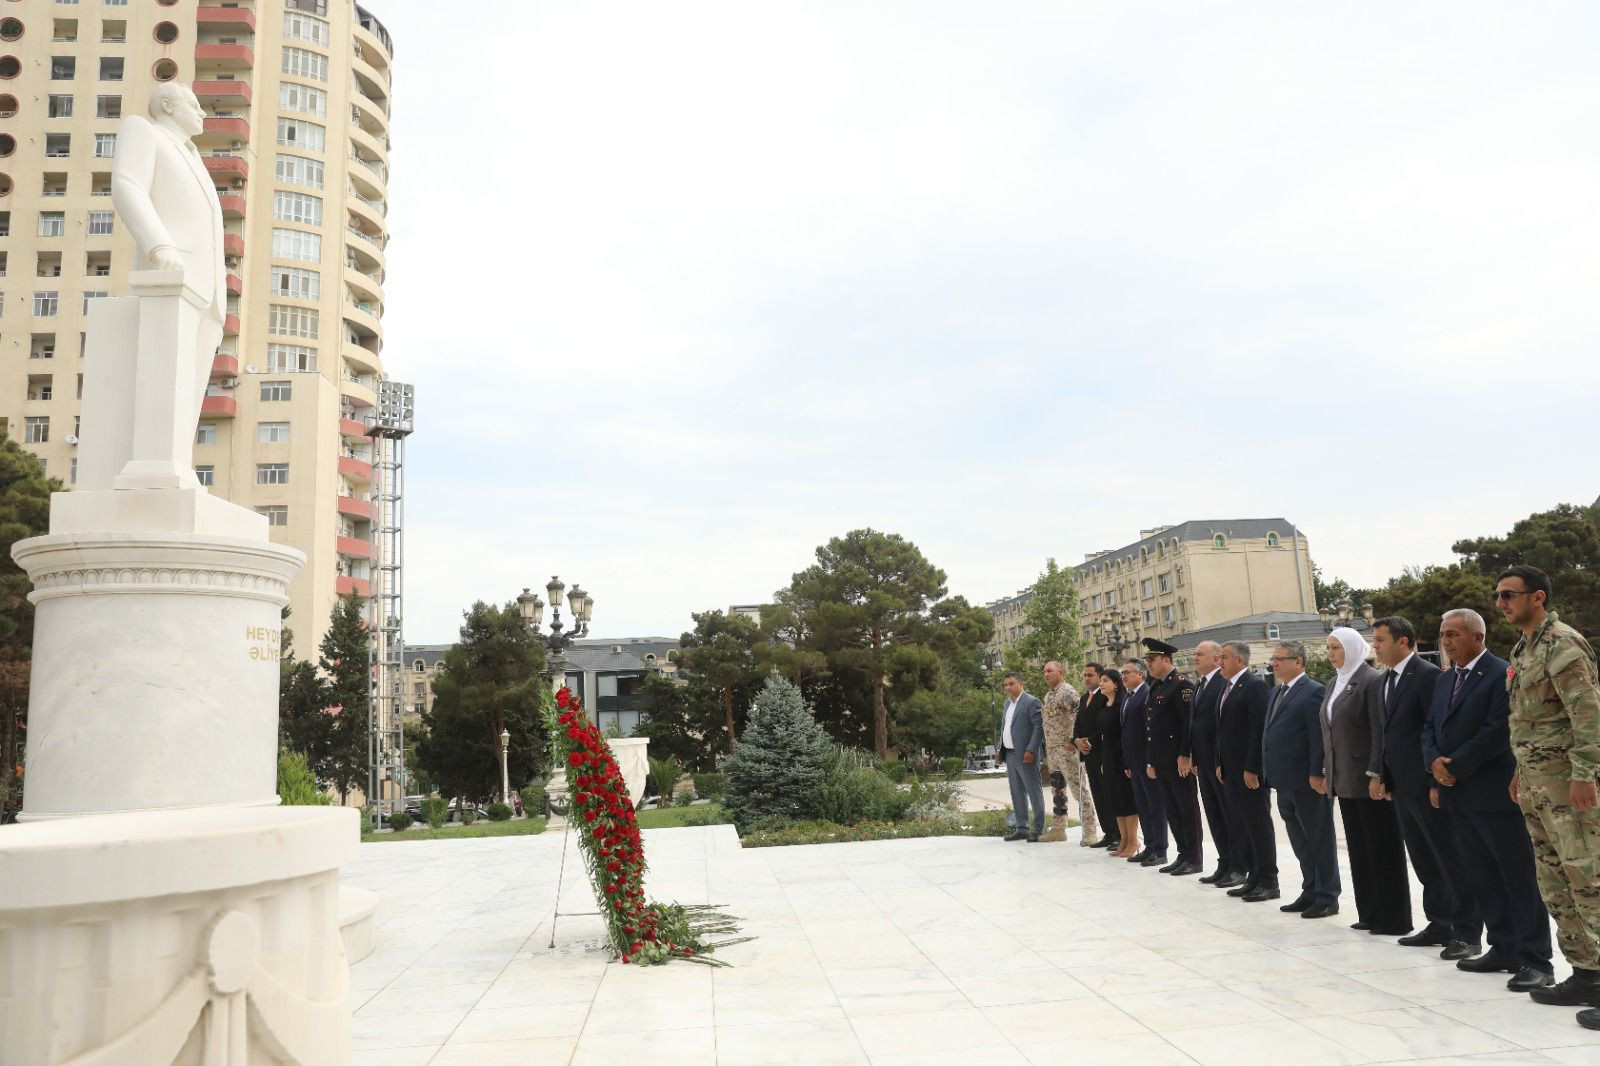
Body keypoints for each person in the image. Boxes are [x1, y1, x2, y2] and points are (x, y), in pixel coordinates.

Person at [1423, 608, 1553, 992]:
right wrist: (1433, 762)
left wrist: (1456, 765)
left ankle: (1536, 958)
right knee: (1482, 874)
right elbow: (1430, 725)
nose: (1446, 641)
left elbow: (1499, 729)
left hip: (1493, 792)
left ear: (1477, 637)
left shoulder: (1501, 673)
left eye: (1454, 634)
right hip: (1458, 794)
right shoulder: (1446, 680)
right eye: (1443, 634)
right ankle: (1503, 947)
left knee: (1517, 877)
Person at [1497, 564, 1600, 1024]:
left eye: (1508, 595)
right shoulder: (1524, 648)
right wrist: (1521, 772)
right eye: (1498, 596)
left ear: (1537, 598)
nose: (1501, 604)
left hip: (1569, 788)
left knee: (1590, 882)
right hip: (1539, 788)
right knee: (1556, 885)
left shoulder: (1563, 644)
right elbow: (1530, 721)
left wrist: (1585, 775)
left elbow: (1589, 716)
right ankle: (1586, 973)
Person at [1373, 615, 1481, 959]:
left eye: (1380, 640)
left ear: (1403, 642)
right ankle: (1439, 922)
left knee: (1449, 858)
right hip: (1402, 786)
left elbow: (1435, 731)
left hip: (1425, 784)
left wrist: (1435, 781)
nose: (1375, 646)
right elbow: (1387, 734)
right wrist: (1383, 775)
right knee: (1423, 859)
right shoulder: (1385, 680)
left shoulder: (1427, 676)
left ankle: (1466, 930)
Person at [1316, 627, 1411, 936]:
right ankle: (1370, 912)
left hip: (1366, 779)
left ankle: (1393, 917)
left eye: (1336, 648)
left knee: (1382, 847)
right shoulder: (1334, 683)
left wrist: (1376, 773)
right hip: (1343, 778)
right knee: (1359, 848)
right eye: (1329, 648)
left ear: (1353, 649)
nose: (1331, 654)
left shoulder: (1370, 681)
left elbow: (1377, 731)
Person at [1262, 640, 1338, 917]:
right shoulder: (1276, 692)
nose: (1275, 663)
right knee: (1299, 839)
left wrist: (1317, 772)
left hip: (1308, 782)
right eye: (1274, 658)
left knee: (1319, 839)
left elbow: (1318, 738)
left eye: (1281, 658)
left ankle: (1328, 895)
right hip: (1283, 780)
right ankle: (1311, 889)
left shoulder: (1314, 691)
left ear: (1299, 662)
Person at [1215, 641, 1277, 901]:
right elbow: (1223, 730)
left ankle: (1268, 880)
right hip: (1231, 770)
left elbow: (1258, 730)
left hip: (1248, 772)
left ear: (1240, 661)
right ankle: (1253, 876)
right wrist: (1220, 762)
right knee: (1242, 825)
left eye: (1224, 658)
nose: (1220, 662)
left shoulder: (1254, 686)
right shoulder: (1227, 687)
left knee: (1258, 824)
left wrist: (1253, 767)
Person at [1144, 638, 1203, 876]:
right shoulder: (1157, 686)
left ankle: (1194, 857)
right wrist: (1151, 760)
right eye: (1147, 660)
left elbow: (1187, 725)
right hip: (1162, 759)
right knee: (1172, 809)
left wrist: (1185, 755)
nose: (1148, 664)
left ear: (1166, 660)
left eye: (1152, 659)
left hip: (1178, 760)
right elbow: (1151, 728)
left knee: (1186, 808)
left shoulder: (1181, 685)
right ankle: (1183, 854)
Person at [1184, 641, 1236, 884]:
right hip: (1202, 763)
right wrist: (1192, 754)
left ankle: (1237, 865)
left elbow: (1220, 728)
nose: (1195, 657)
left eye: (1199, 654)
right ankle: (1224, 863)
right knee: (1214, 816)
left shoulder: (1222, 683)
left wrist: (1218, 760)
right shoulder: (1200, 684)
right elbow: (1194, 725)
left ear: (1216, 659)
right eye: (1195, 653)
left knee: (1228, 816)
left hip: (1218, 763)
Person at [1039, 660, 1095, 845]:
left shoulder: (1067, 692)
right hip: (1053, 750)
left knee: (1079, 790)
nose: (1046, 674)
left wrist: (1074, 739)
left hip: (1067, 750)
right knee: (1057, 789)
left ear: (1061, 673)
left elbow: (1081, 715)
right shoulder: (1049, 695)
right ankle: (1059, 828)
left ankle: (1090, 831)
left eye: (1050, 671)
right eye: (1044, 671)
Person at [1121, 660, 1168, 867]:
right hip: (1134, 762)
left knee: (1155, 806)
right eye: (1122, 673)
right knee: (1143, 806)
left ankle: (1160, 849)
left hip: (1147, 761)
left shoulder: (1146, 694)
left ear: (1140, 675)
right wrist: (1127, 762)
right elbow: (1127, 732)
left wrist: (1151, 760)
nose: (1123, 676)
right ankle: (1149, 846)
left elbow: (1150, 731)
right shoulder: (1128, 697)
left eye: (1127, 673)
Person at [1095, 667, 1141, 858]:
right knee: (1114, 799)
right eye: (1101, 681)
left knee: (1126, 799)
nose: (1101, 684)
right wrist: (1104, 760)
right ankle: (1122, 840)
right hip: (1108, 755)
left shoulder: (1122, 704)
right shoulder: (1104, 704)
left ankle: (1133, 840)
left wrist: (1125, 759)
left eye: (1105, 681)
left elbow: (1125, 733)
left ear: (1115, 684)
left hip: (1121, 754)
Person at [997, 671, 1047, 842]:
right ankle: (1022, 828)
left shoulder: (1031, 702)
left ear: (1020, 684)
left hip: (1026, 755)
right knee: (1017, 792)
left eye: (1011, 684)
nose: (1008, 687)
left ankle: (1039, 828)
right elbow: (1005, 728)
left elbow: (1038, 728)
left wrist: (1031, 750)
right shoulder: (1006, 704)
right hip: (1010, 754)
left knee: (1033, 792)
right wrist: (999, 749)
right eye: (1005, 685)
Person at [1076, 663, 1118, 850]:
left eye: (1090, 675)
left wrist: (1089, 742)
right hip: (1087, 754)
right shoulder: (1084, 697)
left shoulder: (1104, 697)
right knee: (1098, 795)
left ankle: (1117, 834)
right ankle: (1108, 833)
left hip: (1101, 751)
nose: (1086, 678)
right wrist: (1077, 740)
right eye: (1084, 675)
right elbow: (1078, 723)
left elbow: (1102, 725)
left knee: (1109, 795)